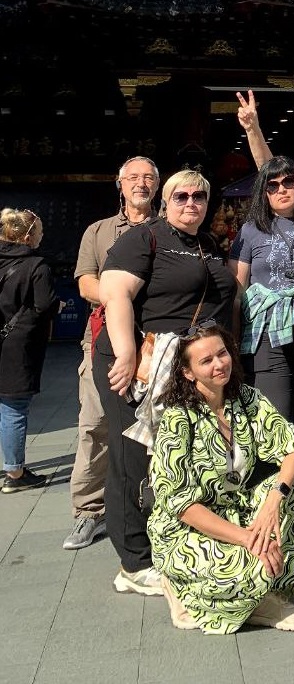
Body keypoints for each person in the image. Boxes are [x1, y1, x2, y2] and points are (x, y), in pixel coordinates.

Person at [95, 169, 237, 596]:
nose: (190, 203)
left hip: (186, 367)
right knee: (132, 458)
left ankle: (171, 542)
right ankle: (133, 563)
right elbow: (114, 292)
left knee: (178, 454)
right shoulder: (145, 238)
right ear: (165, 200)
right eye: (181, 196)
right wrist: (125, 352)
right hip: (141, 363)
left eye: (199, 196)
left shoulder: (207, 243)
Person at [149, 323, 294, 633]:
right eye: (206, 361)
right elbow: (182, 506)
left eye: (222, 354)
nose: (219, 364)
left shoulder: (244, 398)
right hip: (187, 529)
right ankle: (184, 587)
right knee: (254, 563)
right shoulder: (178, 419)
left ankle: (260, 593)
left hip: (237, 509)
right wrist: (248, 539)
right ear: (188, 373)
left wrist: (273, 501)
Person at [63, 156, 160, 549]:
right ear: (120, 184)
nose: (141, 183)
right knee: (96, 425)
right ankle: (89, 511)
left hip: (155, 342)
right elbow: (86, 283)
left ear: (158, 185)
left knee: (157, 426)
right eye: (133, 177)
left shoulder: (168, 227)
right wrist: (121, 294)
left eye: (148, 177)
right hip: (102, 340)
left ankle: (155, 506)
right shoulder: (99, 231)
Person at [230, 157, 294, 450]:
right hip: (266, 336)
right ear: (263, 192)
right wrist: (233, 345)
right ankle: (277, 481)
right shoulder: (250, 230)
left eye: (288, 182)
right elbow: (237, 293)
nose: (281, 189)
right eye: (272, 185)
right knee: (276, 421)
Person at [0, 209, 57, 492]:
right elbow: (45, 305)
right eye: (40, 232)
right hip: (17, 346)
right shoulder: (37, 266)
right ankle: (14, 473)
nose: (42, 237)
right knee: (13, 408)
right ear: (27, 237)